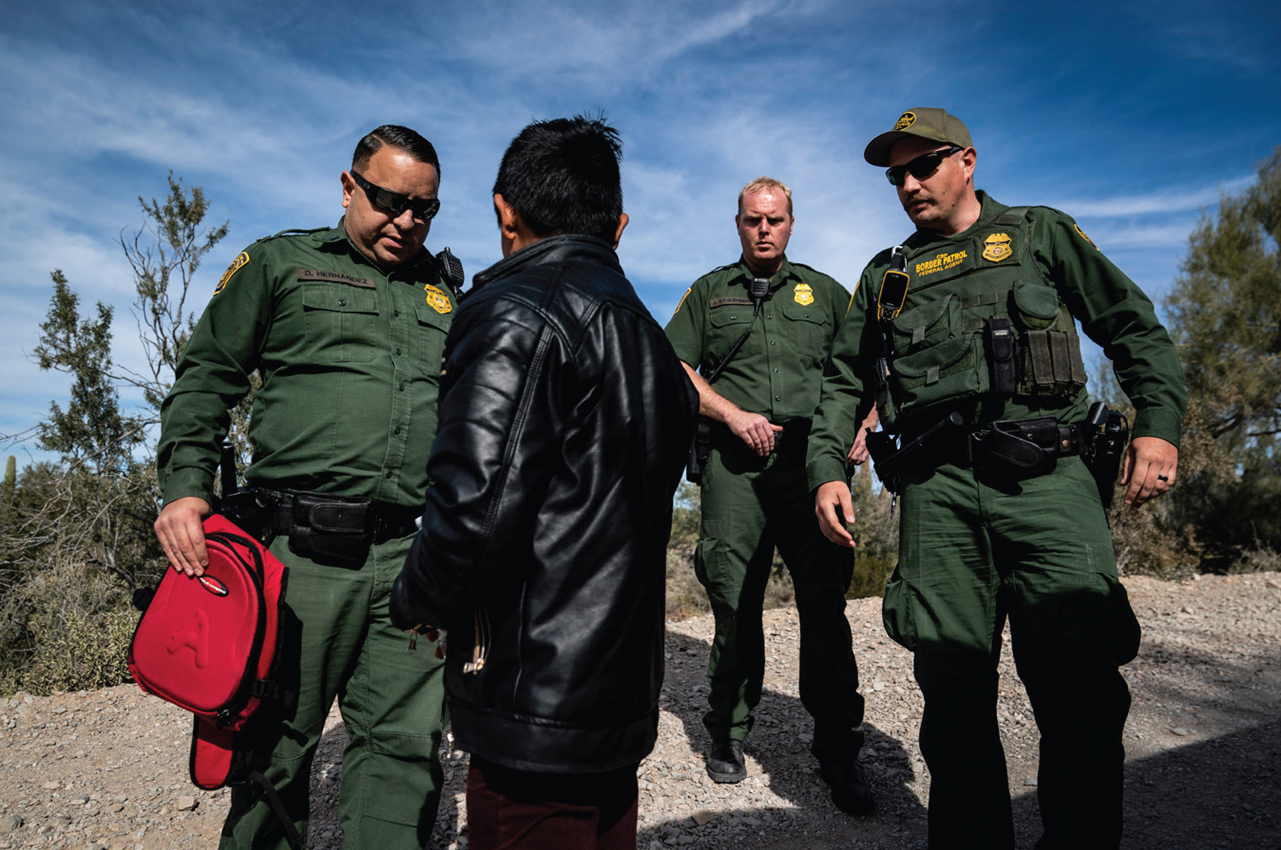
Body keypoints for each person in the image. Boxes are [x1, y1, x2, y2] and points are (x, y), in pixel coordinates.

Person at [808, 108, 1187, 849]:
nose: (908, 184)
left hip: (1049, 483)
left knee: (1077, 689)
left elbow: (1133, 325)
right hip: (938, 497)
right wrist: (826, 468)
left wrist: (1157, 425)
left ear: (968, 162)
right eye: (896, 176)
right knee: (951, 702)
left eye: (923, 166)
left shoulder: (1039, 234)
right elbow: (841, 382)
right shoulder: (887, 275)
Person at [390, 115, 697, 850]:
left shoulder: (513, 310)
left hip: (534, 707)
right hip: (614, 701)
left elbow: (472, 511)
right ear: (616, 226)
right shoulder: (649, 338)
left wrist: (415, 600)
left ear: (503, 209)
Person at [154, 125, 455, 849]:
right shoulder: (279, 263)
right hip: (296, 560)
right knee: (272, 748)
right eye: (389, 201)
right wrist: (184, 487)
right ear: (349, 186)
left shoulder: (444, 291)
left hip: (407, 562)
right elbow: (205, 378)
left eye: (424, 209)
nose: (406, 222)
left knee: (405, 751)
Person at [663, 177, 875, 815]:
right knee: (734, 601)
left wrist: (860, 428)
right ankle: (727, 732)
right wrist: (731, 414)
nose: (764, 229)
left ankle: (838, 748)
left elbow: (870, 360)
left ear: (791, 223)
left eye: (775, 219)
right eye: (753, 219)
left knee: (825, 606)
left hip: (813, 465)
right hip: (737, 468)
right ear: (737, 224)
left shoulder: (825, 292)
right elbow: (674, 366)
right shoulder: (709, 293)